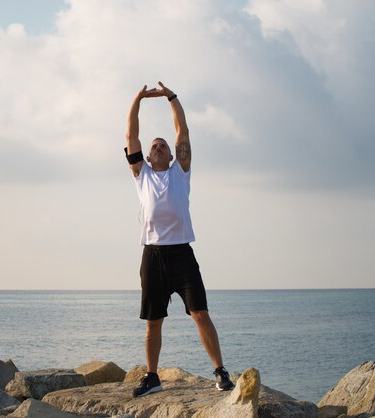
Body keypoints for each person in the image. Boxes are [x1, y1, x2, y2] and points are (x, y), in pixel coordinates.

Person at [125, 82, 234, 397]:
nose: (158, 147)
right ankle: (152, 377)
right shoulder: (141, 174)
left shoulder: (180, 171)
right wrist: (138, 100)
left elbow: (182, 130)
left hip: (182, 256)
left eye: (164, 145)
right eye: (154, 146)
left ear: (174, 154)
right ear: (146, 156)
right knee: (153, 321)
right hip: (153, 257)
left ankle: (220, 371)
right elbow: (131, 135)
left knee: (200, 313)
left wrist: (171, 98)